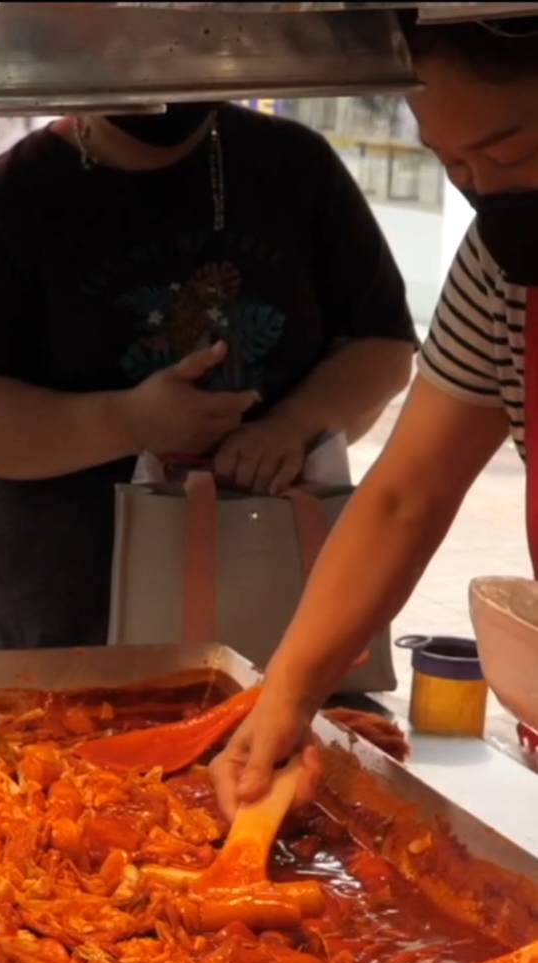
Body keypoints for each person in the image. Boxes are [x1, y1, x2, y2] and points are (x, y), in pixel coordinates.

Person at [0, 102, 415, 650]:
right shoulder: (7, 199)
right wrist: (128, 421)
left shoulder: (295, 164)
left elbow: (383, 347)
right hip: (67, 613)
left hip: (268, 594)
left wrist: (294, 424)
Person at [212, 12, 538, 820]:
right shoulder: (501, 266)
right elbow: (404, 492)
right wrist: (284, 695)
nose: (482, 188)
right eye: (452, 163)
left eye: (508, 153)